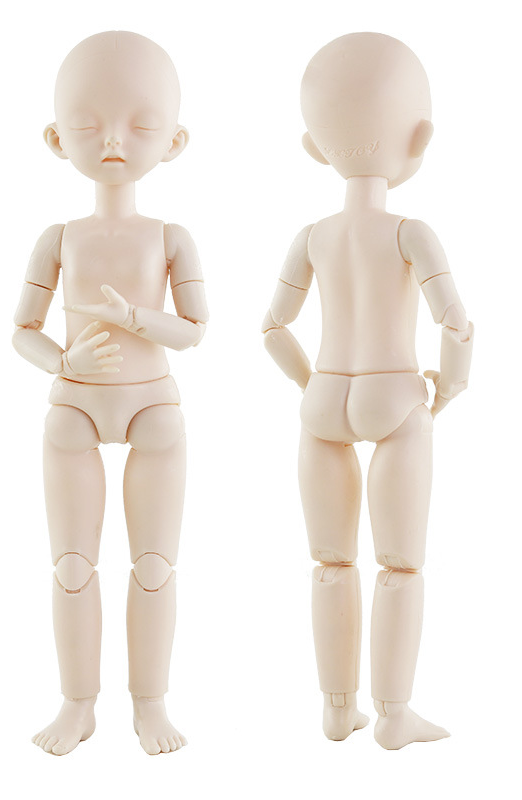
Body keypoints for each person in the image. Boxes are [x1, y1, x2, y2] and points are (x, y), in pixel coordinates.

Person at [262, 32, 473, 749]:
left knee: (330, 564)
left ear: (315, 147)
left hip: (324, 399)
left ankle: (336, 708)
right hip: (395, 397)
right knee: (400, 565)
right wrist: (450, 387)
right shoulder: (411, 231)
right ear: (420, 138)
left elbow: (272, 328)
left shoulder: (313, 235)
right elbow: (456, 323)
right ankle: (392, 715)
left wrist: (311, 385)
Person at [13, 31, 208, 756]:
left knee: (154, 566)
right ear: (56, 138)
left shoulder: (171, 237)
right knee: (72, 566)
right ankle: (77, 705)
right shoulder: (58, 237)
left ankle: (150, 705)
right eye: (88, 125)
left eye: (142, 124)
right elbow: (21, 330)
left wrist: (135, 319)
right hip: (74, 407)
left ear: (175, 140)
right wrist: (61, 361)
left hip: (153, 406)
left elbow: (195, 330)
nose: (115, 140)